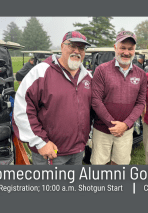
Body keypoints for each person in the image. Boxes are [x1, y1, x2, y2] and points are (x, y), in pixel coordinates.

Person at [13, 31, 92, 165]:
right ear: (62, 47)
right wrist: (40, 142)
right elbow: (22, 108)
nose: (77, 51)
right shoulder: (41, 72)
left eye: (81, 48)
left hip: (77, 151)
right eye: (72, 46)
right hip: (50, 152)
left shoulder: (87, 77)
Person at [91, 31, 147, 165]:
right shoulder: (101, 70)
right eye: (123, 47)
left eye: (130, 49)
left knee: (120, 164)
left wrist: (126, 124)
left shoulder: (141, 74)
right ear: (115, 48)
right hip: (102, 129)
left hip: (125, 131)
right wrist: (112, 124)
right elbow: (96, 100)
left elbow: (140, 103)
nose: (126, 52)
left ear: (134, 50)